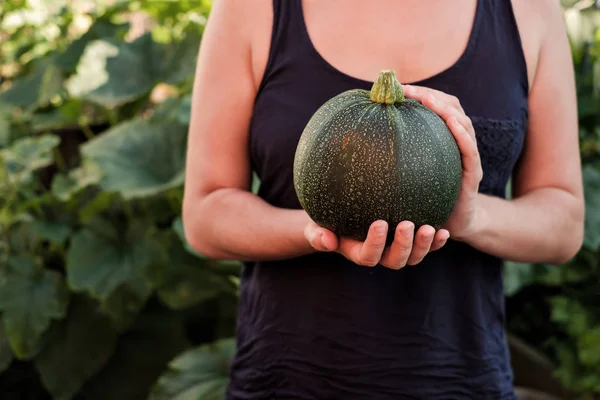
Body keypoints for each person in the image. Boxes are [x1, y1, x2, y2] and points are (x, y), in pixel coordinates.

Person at [182, 0, 585, 398]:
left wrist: (472, 217)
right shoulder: (250, 7)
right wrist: (317, 230)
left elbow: (563, 223)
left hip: (460, 379)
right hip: (286, 378)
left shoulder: (529, 10)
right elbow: (206, 212)